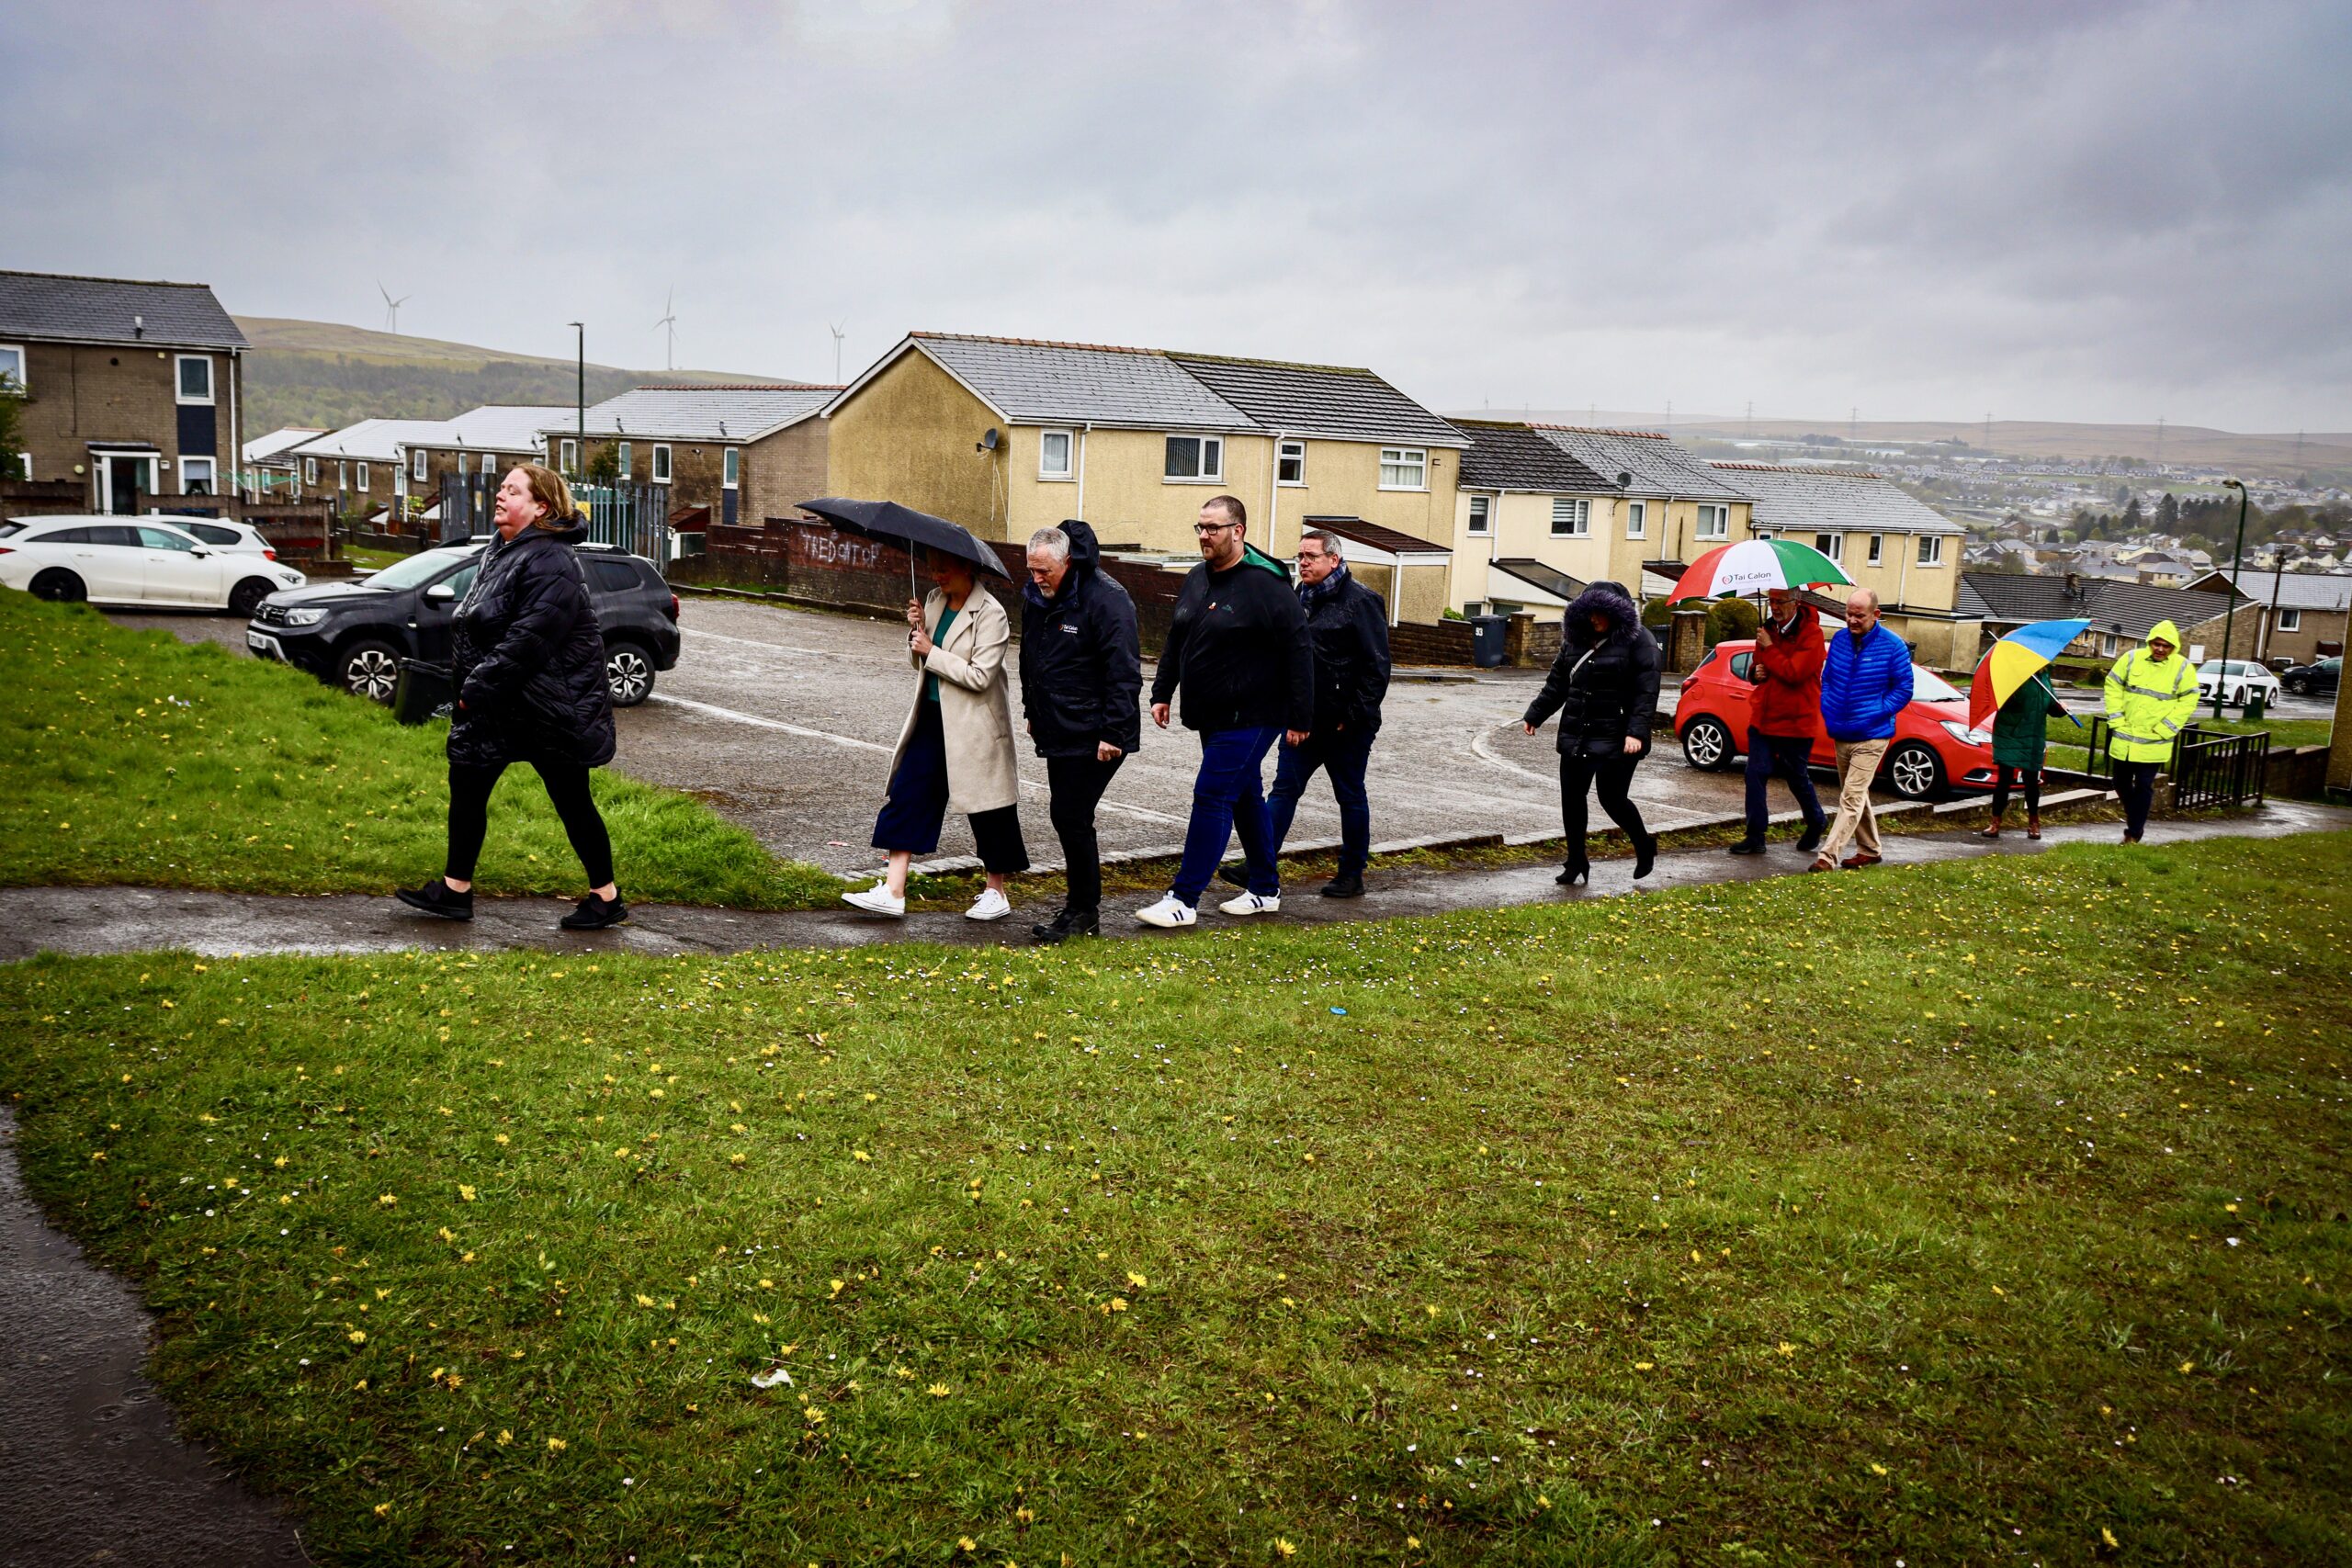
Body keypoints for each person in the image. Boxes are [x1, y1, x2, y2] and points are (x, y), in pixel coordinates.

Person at [396, 463, 626, 930]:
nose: (500, 495)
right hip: (503, 704)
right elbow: (484, 621)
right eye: (500, 488)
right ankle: (455, 890)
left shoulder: (552, 560)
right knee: (468, 784)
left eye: (512, 490)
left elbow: (529, 639)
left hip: (549, 707)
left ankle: (606, 897)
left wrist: (473, 689)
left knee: (571, 799)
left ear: (541, 507)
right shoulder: (500, 551)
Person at [1136, 495, 1314, 929]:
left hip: (1255, 714)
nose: (1204, 536)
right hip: (1211, 713)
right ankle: (1265, 889)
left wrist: (1301, 717)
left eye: (1213, 528)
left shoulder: (1266, 586)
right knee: (1246, 796)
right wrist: (1163, 691)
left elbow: (1299, 652)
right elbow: (1179, 637)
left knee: (1213, 794)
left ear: (1238, 531)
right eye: (1199, 527)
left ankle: (1183, 899)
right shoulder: (1197, 578)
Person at [843, 552, 1028, 919]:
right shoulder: (932, 600)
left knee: (989, 810)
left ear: (967, 568)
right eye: (932, 568)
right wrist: (915, 635)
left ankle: (997, 891)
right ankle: (894, 890)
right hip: (931, 718)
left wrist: (932, 649)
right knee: (908, 795)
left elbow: (980, 677)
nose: (936, 575)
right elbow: (920, 663)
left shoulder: (991, 614)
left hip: (976, 727)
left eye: (943, 568)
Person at [1018, 521, 1141, 943]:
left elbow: (1124, 672)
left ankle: (1083, 910)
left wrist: (1114, 733)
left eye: (1044, 572)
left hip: (1096, 732)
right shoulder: (1037, 595)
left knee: (1070, 815)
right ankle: (1081, 907)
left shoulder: (1108, 599)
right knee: (1068, 816)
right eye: (1031, 570)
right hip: (1056, 725)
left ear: (1068, 562)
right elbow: (1030, 656)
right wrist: (1031, 709)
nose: (1036, 579)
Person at [1259, 528, 1391, 897]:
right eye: (1300, 556)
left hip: (1347, 726)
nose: (1302, 563)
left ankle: (1352, 873)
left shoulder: (1362, 601)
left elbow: (1376, 668)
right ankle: (1261, 864)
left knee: (1349, 795)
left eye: (1311, 557)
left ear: (1334, 559)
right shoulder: (1300, 597)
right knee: (1283, 790)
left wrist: (1351, 716)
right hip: (1303, 721)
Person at [1521, 581, 1660, 885]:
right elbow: (1557, 682)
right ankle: (1576, 861)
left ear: (1616, 613)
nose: (1594, 619)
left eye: (1600, 613)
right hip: (1577, 732)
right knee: (1571, 799)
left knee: (1612, 799)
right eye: (1589, 613)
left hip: (1618, 736)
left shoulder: (1641, 642)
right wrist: (1535, 714)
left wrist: (1636, 733)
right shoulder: (1575, 641)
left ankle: (1644, 843)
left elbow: (1646, 693)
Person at [1812, 588, 1914, 872]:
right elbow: (1828, 677)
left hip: (1873, 734)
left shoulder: (1893, 646)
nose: (1852, 620)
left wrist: (1875, 712)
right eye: (1848, 614)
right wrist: (1828, 706)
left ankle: (1827, 856)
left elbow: (1904, 689)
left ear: (1875, 615)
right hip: (1841, 730)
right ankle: (1869, 849)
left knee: (1851, 796)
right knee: (1855, 793)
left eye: (1859, 615)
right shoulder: (1841, 640)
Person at [1729, 585, 1827, 856]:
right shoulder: (1767, 630)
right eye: (1772, 601)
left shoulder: (1812, 634)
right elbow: (1763, 668)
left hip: (1796, 720)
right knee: (1755, 773)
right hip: (1764, 717)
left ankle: (1817, 820)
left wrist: (1769, 649)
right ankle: (1755, 835)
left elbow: (1795, 672)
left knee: (1796, 777)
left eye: (1781, 601)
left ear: (1796, 602)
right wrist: (1754, 672)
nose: (1775, 606)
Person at [2102, 618, 2198, 844]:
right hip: (2125, 738)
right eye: (2157, 644)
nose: (2160, 649)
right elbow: (2112, 685)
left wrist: (2167, 727)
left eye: (2166, 646)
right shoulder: (2131, 658)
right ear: (2150, 642)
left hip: (2154, 741)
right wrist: (2116, 718)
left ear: (2173, 647)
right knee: (2120, 782)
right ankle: (2134, 818)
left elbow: (2190, 698)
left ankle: (2134, 833)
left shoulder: (2182, 667)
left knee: (2144, 785)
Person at [1980, 668, 2067, 840]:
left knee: (2031, 781)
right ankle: (1995, 822)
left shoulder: (2044, 676)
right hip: (2010, 734)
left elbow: (2049, 706)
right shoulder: (2013, 676)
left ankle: (2034, 823)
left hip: (2033, 736)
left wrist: (2060, 708)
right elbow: (2002, 702)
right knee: (2004, 780)